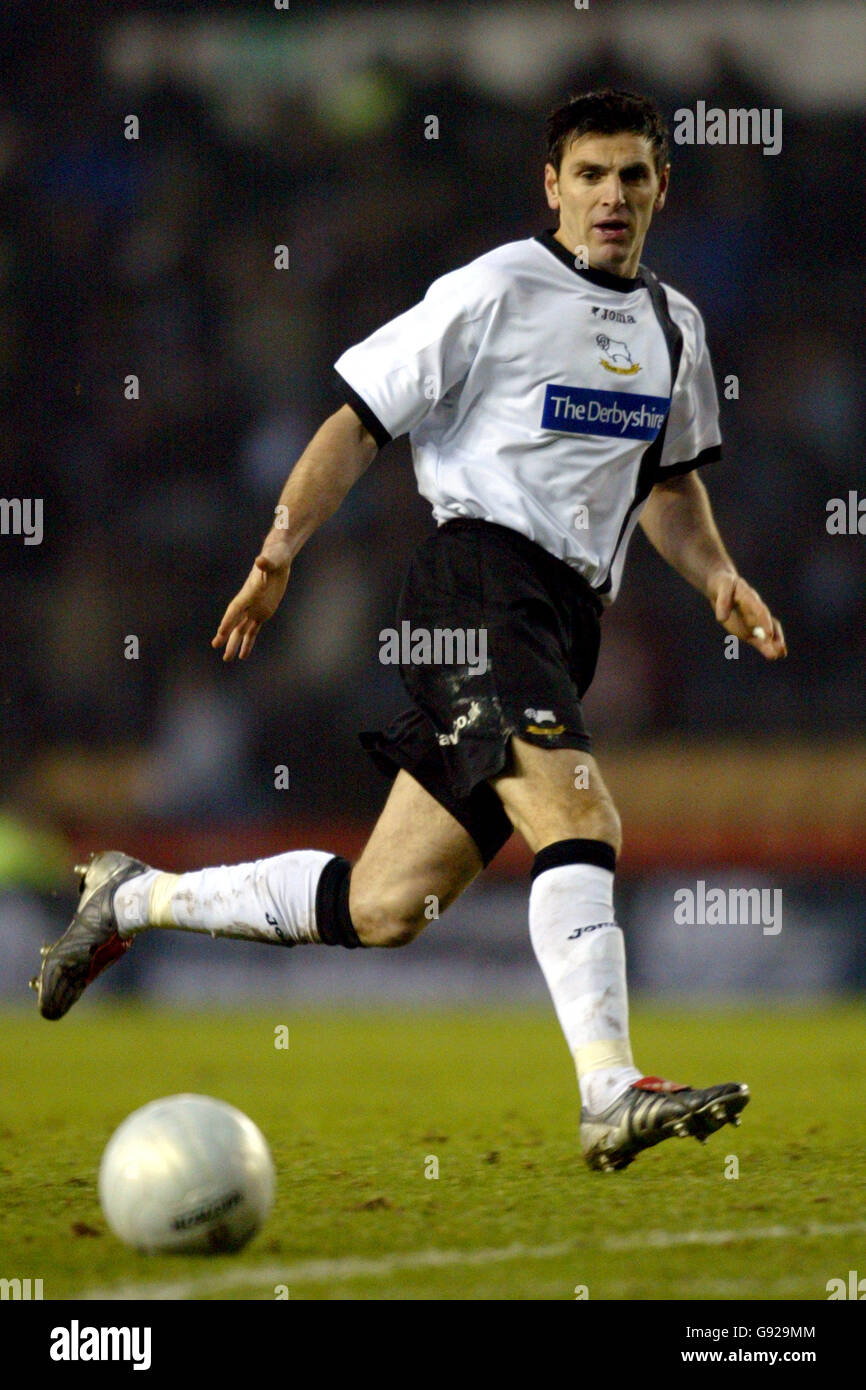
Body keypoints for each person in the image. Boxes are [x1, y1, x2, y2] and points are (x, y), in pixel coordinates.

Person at [33, 90, 786, 1172]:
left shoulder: (675, 327)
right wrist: (277, 550)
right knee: (581, 814)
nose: (610, 196)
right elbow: (356, 418)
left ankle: (132, 894)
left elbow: (666, 488)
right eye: (589, 174)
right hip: (478, 582)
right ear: (551, 186)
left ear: (662, 187)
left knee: (388, 904)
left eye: (631, 175)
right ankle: (609, 1090)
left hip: (564, 615)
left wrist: (718, 576)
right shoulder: (493, 289)